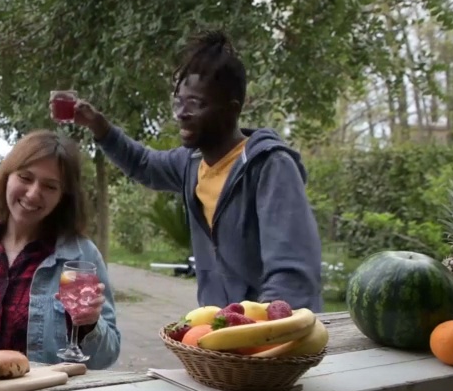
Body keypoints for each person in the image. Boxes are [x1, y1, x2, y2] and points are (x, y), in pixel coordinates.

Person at [59, 30, 322, 311]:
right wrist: (99, 126)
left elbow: (291, 277)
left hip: (269, 335)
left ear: (232, 110)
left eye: (195, 104)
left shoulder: (270, 167)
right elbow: (144, 164)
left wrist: (260, 334)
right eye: (178, 103)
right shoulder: (191, 163)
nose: (181, 113)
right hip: (221, 332)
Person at [0, 131, 121, 368]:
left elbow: (107, 357)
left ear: (63, 197)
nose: (33, 193)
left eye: (50, 186)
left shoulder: (82, 256)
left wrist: (90, 324)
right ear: (7, 176)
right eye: (25, 178)